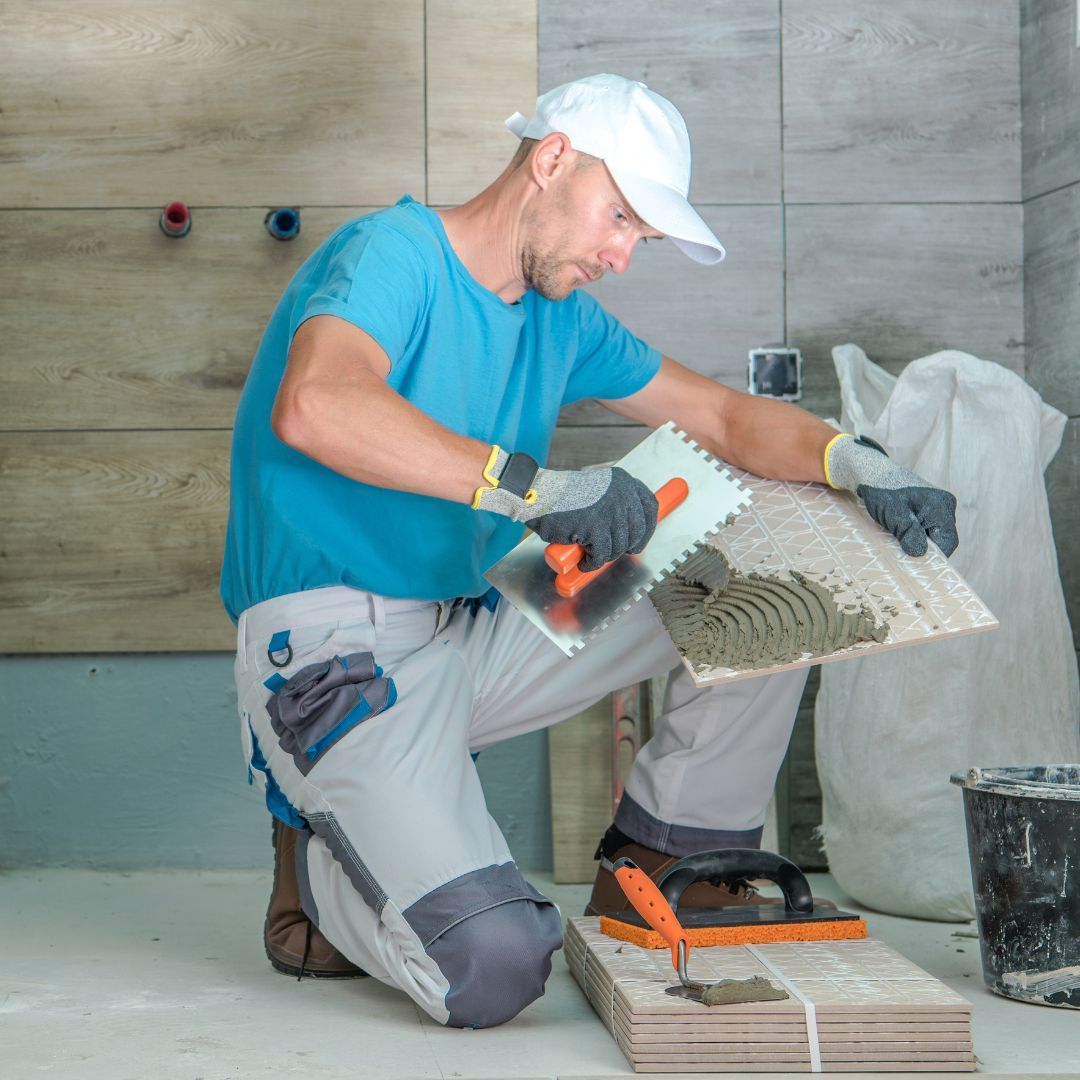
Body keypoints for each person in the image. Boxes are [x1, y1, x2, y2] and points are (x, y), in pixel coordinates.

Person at [221, 73, 959, 1029]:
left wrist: (847, 459)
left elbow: (724, 417)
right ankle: (317, 871)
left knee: (753, 526)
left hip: (471, 627)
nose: (620, 255)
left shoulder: (558, 312)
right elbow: (318, 405)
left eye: (638, 239)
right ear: (552, 159)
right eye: (620, 219)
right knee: (494, 966)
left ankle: (664, 857)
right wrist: (544, 491)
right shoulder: (390, 254)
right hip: (334, 660)